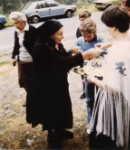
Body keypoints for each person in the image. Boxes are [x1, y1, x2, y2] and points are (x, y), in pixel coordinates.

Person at [26, 19, 102, 149]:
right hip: (45, 87)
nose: (63, 37)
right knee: (51, 110)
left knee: (61, 106)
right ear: (50, 34)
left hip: (58, 83)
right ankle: (53, 138)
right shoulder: (40, 47)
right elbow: (61, 63)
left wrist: (68, 52)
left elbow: (60, 58)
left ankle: (60, 130)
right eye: (60, 34)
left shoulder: (55, 43)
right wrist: (86, 55)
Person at [87, 6, 130, 149]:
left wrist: (93, 79)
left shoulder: (115, 52)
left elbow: (111, 88)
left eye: (107, 26)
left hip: (117, 106)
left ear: (114, 27)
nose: (106, 29)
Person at [70, 18, 106, 135]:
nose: (86, 39)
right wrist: (73, 50)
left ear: (94, 32)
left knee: (102, 99)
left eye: (89, 36)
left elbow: (108, 52)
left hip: (101, 73)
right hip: (87, 73)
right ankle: (91, 124)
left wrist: (101, 52)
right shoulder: (80, 40)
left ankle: (103, 123)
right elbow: (71, 48)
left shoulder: (100, 39)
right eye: (84, 36)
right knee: (90, 99)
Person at [9, 11, 38, 107]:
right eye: (14, 23)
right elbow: (16, 45)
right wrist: (13, 57)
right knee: (24, 80)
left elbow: (39, 46)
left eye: (16, 23)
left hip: (33, 61)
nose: (15, 25)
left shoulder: (32, 30)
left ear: (23, 21)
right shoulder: (16, 31)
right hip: (22, 61)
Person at [76, 10, 91, 99]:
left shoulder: (92, 27)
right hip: (83, 54)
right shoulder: (79, 30)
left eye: (85, 19)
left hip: (92, 54)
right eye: (82, 20)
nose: (83, 22)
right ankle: (85, 90)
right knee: (83, 72)